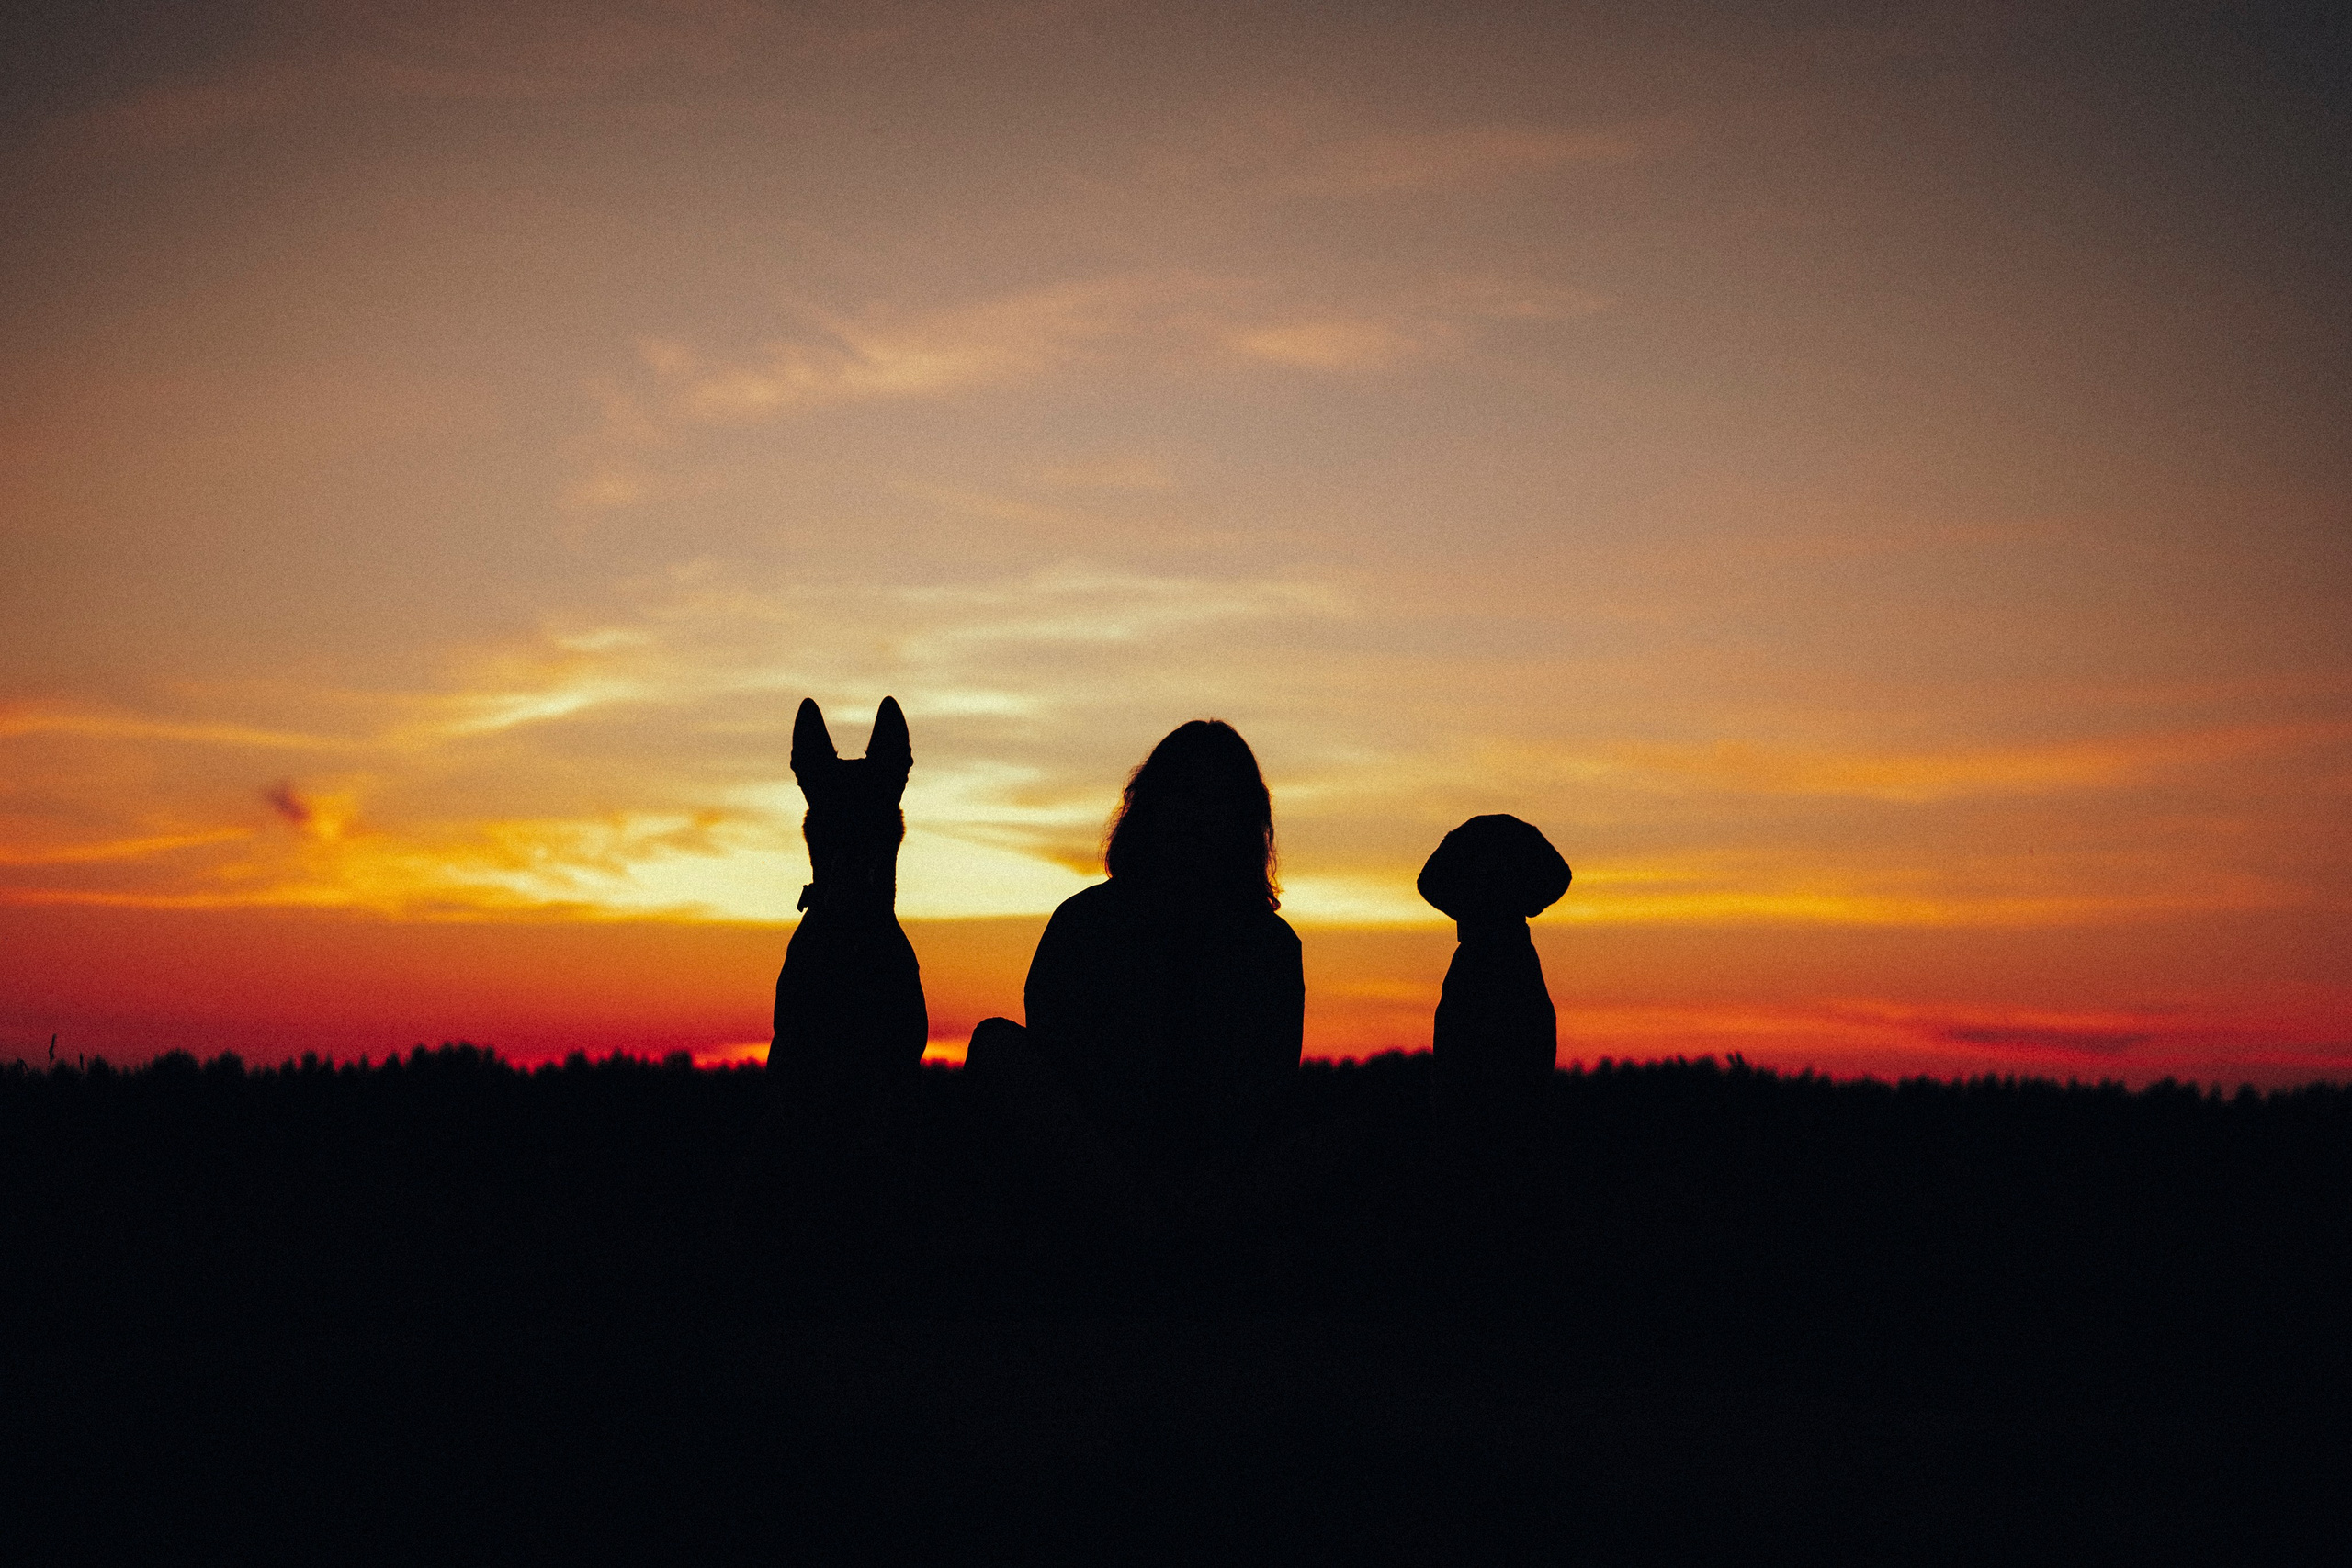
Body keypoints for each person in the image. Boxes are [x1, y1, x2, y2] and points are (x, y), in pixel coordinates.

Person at [975, 720, 1303, 1184]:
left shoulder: (1269, 946)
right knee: (996, 1044)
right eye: (1187, 795)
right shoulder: (1084, 923)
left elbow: (1263, 1094)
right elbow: (1060, 1057)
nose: (1198, 816)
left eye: (1215, 800)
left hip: (1207, 1171)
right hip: (1099, 1159)